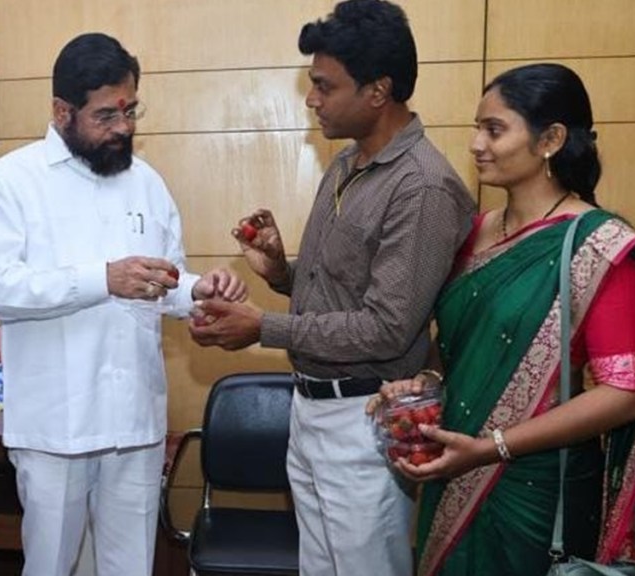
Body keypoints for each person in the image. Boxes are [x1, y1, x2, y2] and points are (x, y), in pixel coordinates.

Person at [188, 1, 475, 574]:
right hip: (310, 410)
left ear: (378, 91)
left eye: (324, 85)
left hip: (365, 420)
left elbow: (385, 327)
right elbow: (345, 294)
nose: (312, 98)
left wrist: (261, 327)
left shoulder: (422, 187)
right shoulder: (346, 164)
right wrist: (280, 272)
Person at [371, 63, 635, 576]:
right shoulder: (475, 233)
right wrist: (421, 386)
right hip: (452, 464)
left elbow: (627, 391)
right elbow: (459, 347)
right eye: (476, 127)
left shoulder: (597, 246)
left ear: (550, 139)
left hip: (537, 492)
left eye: (494, 129)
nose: (475, 144)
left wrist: (493, 448)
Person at [0, 32, 247, 576]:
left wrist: (198, 291)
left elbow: (162, 282)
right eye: (105, 115)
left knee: (130, 567)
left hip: (135, 423)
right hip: (56, 426)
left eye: (131, 110)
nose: (123, 128)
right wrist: (104, 279)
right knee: (51, 565)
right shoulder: (12, 180)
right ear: (61, 111)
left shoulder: (147, 183)